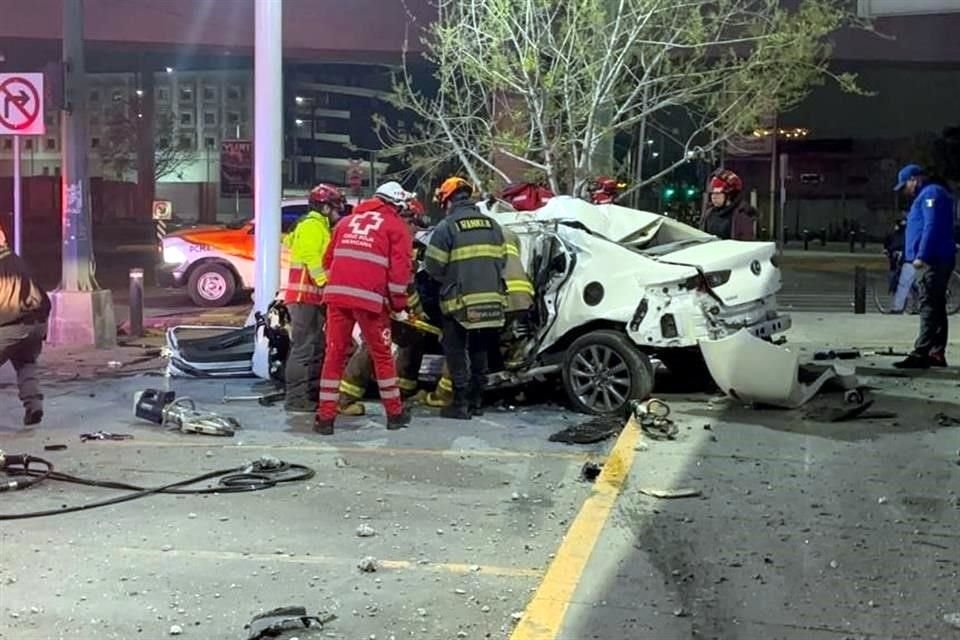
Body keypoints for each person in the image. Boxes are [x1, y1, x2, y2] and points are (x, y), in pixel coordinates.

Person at [315, 181, 414, 434]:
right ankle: (394, 414)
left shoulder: (345, 223)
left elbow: (327, 261)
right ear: (396, 204)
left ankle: (325, 419)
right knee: (381, 355)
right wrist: (399, 305)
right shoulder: (396, 227)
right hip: (370, 302)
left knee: (334, 355)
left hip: (336, 298)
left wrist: (342, 284)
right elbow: (399, 273)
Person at [337, 193, 429, 416]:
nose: (417, 230)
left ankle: (404, 389)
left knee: (411, 339)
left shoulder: (387, 233)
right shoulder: (396, 235)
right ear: (406, 218)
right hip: (379, 303)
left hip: (376, 299)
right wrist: (413, 310)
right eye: (415, 224)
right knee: (374, 346)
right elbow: (404, 282)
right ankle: (345, 399)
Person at [424, 177, 507, 420]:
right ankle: (477, 401)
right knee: (481, 350)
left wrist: (450, 280)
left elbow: (432, 267)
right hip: (492, 301)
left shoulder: (447, 227)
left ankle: (460, 404)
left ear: (448, 200)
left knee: (457, 351)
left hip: (459, 303)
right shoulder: (493, 225)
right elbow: (501, 261)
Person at [281, 184, 344, 413]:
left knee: (315, 347)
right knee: (303, 348)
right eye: (337, 207)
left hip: (311, 299)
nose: (340, 212)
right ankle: (295, 398)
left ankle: (310, 394)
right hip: (303, 296)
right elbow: (310, 255)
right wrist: (323, 282)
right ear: (326, 207)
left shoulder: (317, 225)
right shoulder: (312, 225)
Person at [892, 164, 957, 368]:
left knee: (928, 305)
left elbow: (931, 225)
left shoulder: (931, 194)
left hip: (932, 260)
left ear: (915, 179)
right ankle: (936, 353)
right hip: (936, 258)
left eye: (906, 185)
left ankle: (921, 353)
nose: (906, 190)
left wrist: (921, 255)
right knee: (936, 306)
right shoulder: (930, 194)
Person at [0, 226, 50, 427]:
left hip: (12, 326)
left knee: (24, 361)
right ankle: (34, 405)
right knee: (25, 364)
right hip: (36, 324)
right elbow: (42, 296)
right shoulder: (18, 261)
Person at [700, 169, 757, 240]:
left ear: (730, 195)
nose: (713, 197)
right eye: (712, 193)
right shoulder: (709, 213)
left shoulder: (741, 216)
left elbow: (745, 244)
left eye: (718, 193)